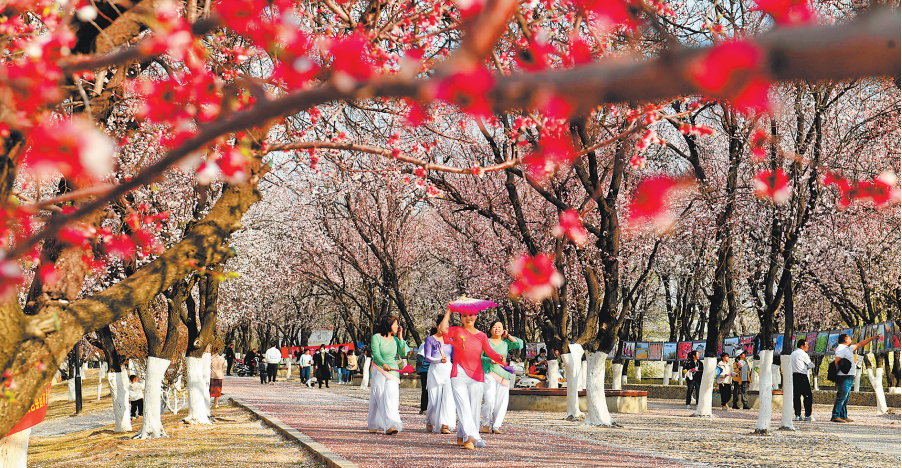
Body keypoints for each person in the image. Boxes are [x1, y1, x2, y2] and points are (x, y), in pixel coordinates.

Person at [439, 305, 507, 450]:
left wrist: (499, 357)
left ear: (476, 316)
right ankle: (471, 437)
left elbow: (489, 352)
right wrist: (449, 311)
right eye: (464, 315)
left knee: (474, 408)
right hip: (459, 373)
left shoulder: (482, 335)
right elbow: (443, 330)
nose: (468, 318)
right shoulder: (457, 330)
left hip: (477, 375)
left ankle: (461, 434)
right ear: (461, 318)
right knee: (463, 406)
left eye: (471, 315)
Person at [367, 315, 410, 435]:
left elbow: (403, 352)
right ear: (389, 325)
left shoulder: (396, 340)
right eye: (396, 324)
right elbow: (376, 353)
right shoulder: (376, 337)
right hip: (379, 369)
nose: (398, 326)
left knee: (391, 396)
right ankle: (373, 424)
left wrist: (401, 338)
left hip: (393, 371)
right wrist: (383, 363)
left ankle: (390, 425)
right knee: (378, 396)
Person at [480, 320, 523, 434]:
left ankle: (496, 425)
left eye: (499, 327)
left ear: (503, 329)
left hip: (503, 374)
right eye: (494, 327)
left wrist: (507, 335)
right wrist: (490, 360)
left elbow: (520, 344)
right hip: (489, 372)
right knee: (489, 400)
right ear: (490, 330)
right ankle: (485, 423)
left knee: (502, 402)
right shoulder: (485, 342)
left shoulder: (506, 343)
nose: (497, 329)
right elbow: (479, 357)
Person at [831, 332, 877, 423]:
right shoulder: (841, 348)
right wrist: (836, 375)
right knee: (842, 396)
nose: (851, 339)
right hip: (844, 376)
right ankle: (835, 415)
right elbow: (837, 361)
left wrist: (872, 338)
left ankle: (843, 416)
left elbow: (860, 344)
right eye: (849, 337)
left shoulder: (848, 348)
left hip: (849, 375)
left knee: (846, 397)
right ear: (845, 339)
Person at [424, 316, 455, 434]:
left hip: (448, 371)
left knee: (448, 399)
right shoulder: (430, 339)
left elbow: (454, 356)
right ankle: (429, 420)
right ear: (437, 325)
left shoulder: (451, 341)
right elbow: (427, 357)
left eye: (446, 325)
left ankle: (445, 425)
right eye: (441, 325)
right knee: (433, 400)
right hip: (435, 371)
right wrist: (437, 360)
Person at [791, 338, 815, 421]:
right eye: (807, 345)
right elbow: (810, 365)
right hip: (802, 376)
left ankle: (797, 415)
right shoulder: (803, 354)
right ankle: (808, 415)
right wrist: (809, 366)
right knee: (807, 396)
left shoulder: (792, 353)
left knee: (796, 396)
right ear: (802, 346)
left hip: (794, 376)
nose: (808, 347)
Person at [416, 338, 431, 414]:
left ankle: (425, 408)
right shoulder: (425, 345)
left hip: (426, 370)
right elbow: (421, 359)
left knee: (426, 389)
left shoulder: (423, 345)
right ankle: (424, 408)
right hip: (426, 370)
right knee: (426, 389)